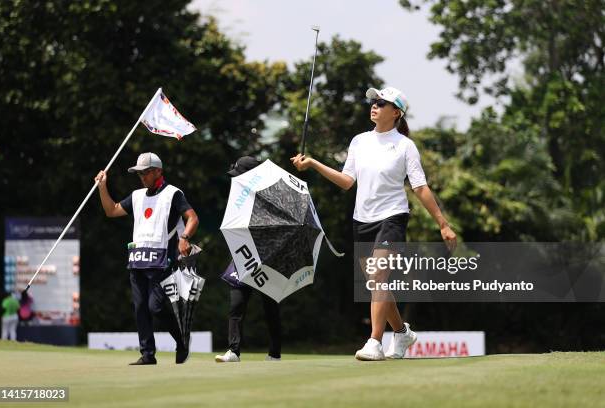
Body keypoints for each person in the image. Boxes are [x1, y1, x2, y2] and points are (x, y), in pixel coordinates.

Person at [291, 87, 457, 361]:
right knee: (376, 284)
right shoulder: (359, 141)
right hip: (362, 219)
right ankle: (402, 332)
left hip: (392, 217)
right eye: (374, 101)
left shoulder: (405, 145)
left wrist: (443, 223)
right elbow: (347, 182)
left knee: (379, 277)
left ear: (396, 113)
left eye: (382, 102)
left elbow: (420, 187)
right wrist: (314, 164)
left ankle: (374, 342)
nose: (375, 105)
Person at [95, 152, 199, 365]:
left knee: (156, 307)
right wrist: (102, 187)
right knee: (140, 306)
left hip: (163, 259)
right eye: (139, 173)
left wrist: (185, 238)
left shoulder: (173, 194)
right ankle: (147, 354)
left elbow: (192, 218)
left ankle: (182, 342)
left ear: (158, 171)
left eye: (145, 172)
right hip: (138, 259)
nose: (141, 176)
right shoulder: (137, 196)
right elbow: (111, 211)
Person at [215, 156, 282, 363]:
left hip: (267, 257)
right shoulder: (239, 197)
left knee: (271, 307)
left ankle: (274, 353)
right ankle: (233, 351)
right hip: (243, 255)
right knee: (236, 305)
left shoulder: (272, 197)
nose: (236, 180)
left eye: (240, 175)